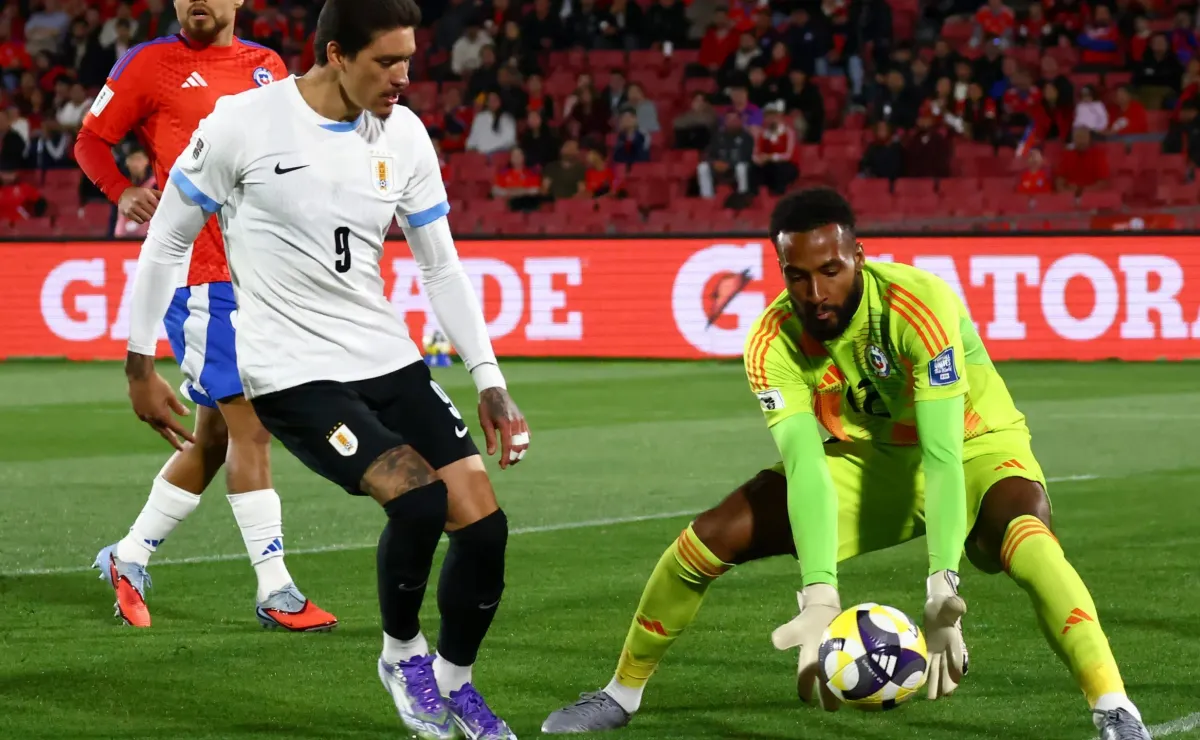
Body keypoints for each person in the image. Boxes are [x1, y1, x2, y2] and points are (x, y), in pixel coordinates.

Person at [542, 187, 1151, 740]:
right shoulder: (771, 342)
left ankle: (1114, 708)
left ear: (859, 254)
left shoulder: (918, 304)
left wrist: (942, 584)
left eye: (830, 271)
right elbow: (806, 467)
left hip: (976, 449)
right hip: (872, 463)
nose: (815, 292)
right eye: (798, 276)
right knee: (707, 538)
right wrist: (820, 600)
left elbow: (941, 455)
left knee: (1028, 541)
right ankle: (620, 692)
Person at [122, 1, 529, 738]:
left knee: (486, 527)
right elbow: (166, 241)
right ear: (336, 53)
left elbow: (441, 266)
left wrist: (489, 376)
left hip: (385, 356)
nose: (403, 78)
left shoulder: (403, 134)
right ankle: (403, 654)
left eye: (410, 60)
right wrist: (138, 360)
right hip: (290, 372)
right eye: (387, 62)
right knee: (416, 504)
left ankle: (454, 682)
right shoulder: (242, 124)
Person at [76, 0, 335, 633]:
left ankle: (130, 555)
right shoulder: (150, 65)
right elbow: (90, 140)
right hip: (198, 277)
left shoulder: (267, 66)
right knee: (253, 428)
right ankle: (276, 589)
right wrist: (122, 192)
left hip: (255, 276)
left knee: (217, 437)